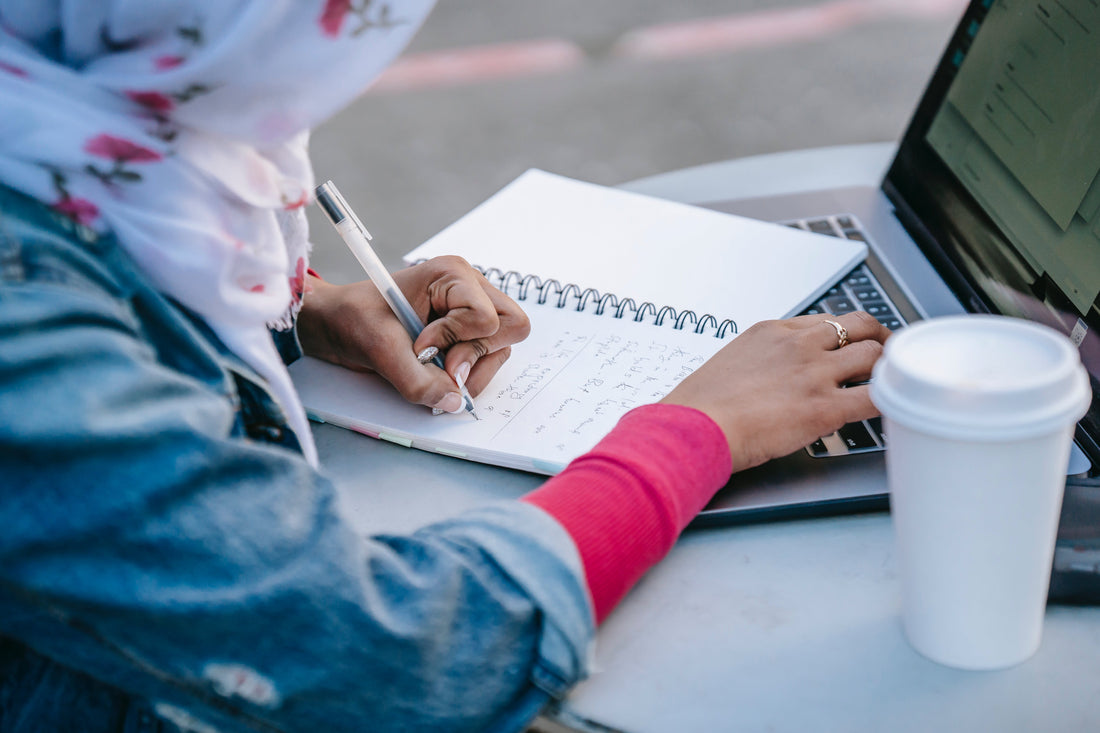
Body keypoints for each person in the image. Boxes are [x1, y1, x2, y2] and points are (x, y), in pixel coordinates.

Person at [0, 2, 890, 732]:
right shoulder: (25, 334)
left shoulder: (60, 112)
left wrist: (304, 312)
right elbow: (387, 657)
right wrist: (696, 432)